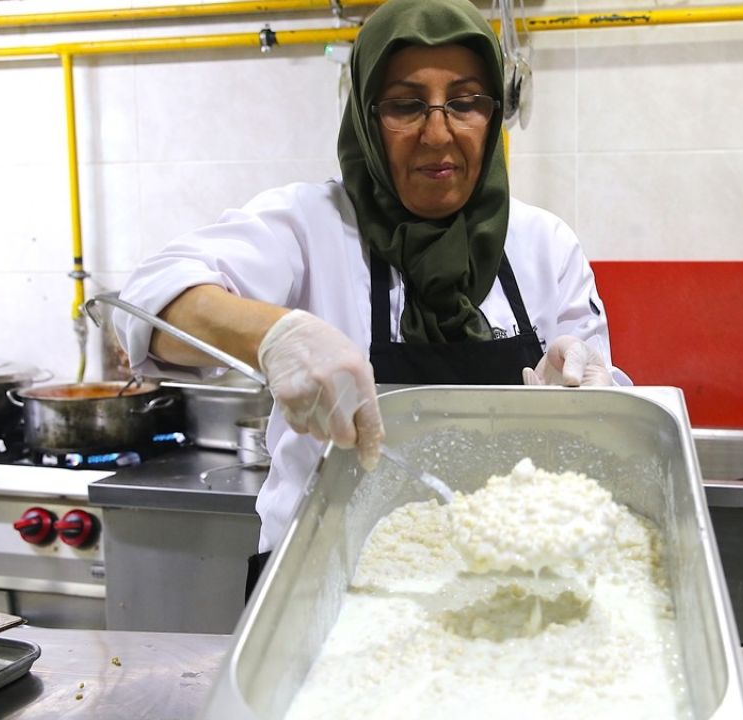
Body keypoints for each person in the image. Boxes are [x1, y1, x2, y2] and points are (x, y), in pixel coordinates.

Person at [112, 0, 630, 589]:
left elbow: (608, 430)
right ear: (364, 113)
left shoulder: (543, 243)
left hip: (508, 581)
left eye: (464, 103)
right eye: (406, 106)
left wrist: (586, 393)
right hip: (320, 585)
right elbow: (147, 304)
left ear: (493, 114)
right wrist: (272, 335)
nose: (438, 134)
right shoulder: (308, 226)